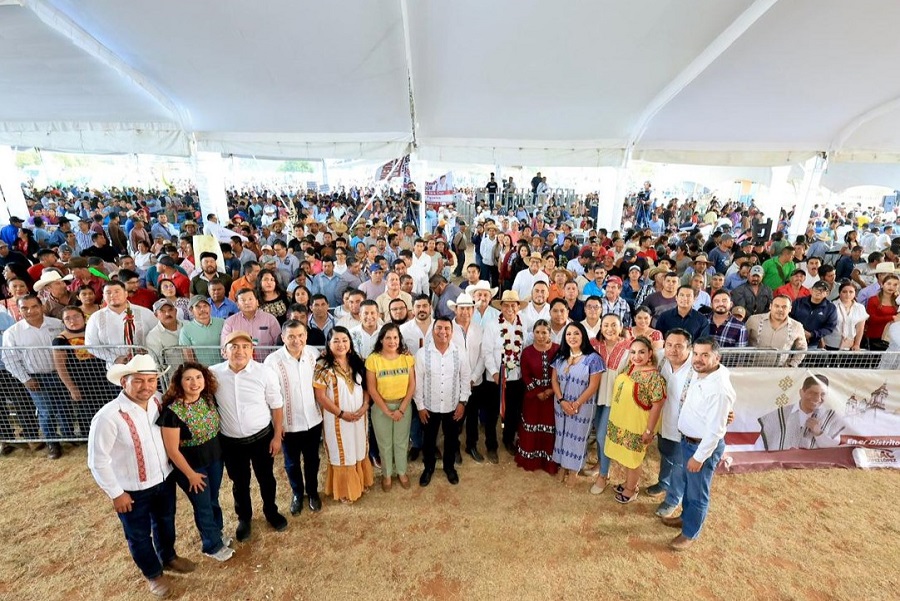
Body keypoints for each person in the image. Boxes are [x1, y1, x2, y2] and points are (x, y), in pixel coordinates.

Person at [87, 355, 196, 598]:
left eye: (151, 380)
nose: (146, 386)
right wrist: (116, 493)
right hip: (132, 490)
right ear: (123, 382)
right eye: (138, 380)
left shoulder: (157, 401)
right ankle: (153, 574)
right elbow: (97, 461)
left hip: (164, 479)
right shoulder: (108, 417)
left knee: (166, 522)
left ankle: (168, 557)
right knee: (138, 535)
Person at [210, 331, 287, 542]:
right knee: (239, 482)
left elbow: (276, 405)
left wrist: (277, 436)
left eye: (245, 346)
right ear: (224, 351)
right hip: (230, 442)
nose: (240, 351)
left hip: (262, 438)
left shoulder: (265, 373)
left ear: (252, 350)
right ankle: (244, 518)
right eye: (234, 346)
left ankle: (271, 511)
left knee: (266, 478)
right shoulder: (213, 374)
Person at [664, 337, 735, 551]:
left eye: (705, 355)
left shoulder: (719, 388)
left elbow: (715, 431)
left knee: (697, 493)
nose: (698, 359)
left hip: (702, 447)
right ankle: (686, 518)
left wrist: (699, 457)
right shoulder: (704, 373)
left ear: (717, 358)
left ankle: (690, 533)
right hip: (689, 442)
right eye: (696, 354)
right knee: (689, 486)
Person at [158, 362, 233, 562]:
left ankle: (216, 533)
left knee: (213, 499)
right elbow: (172, 450)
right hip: (192, 466)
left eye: (198, 377)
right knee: (203, 505)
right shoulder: (172, 412)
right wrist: (190, 474)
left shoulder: (207, 399)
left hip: (214, 459)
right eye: (188, 379)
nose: (194, 383)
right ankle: (212, 545)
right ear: (179, 382)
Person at [264, 320, 324, 515]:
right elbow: (272, 396)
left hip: (313, 420)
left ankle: (313, 492)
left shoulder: (313, 354)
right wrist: (278, 425)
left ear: (306, 336)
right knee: (291, 463)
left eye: (300, 335)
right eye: (291, 336)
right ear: (283, 338)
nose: (296, 340)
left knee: (312, 460)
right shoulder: (272, 361)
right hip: (288, 424)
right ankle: (297, 493)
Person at [1, 295, 72, 458]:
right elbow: (10, 359)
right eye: (24, 308)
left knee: (64, 407)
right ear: (19, 311)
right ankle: (52, 443)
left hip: (61, 374)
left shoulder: (57, 324)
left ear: (41, 307)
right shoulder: (12, 333)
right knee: (46, 411)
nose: (30, 311)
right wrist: (25, 379)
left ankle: (69, 435)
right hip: (36, 378)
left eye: (34, 306)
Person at [313, 326, 374, 503]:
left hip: (359, 416)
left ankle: (360, 481)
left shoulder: (357, 361)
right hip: (336, 419)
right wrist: (341, 414)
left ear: (350, 343)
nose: (341, 344)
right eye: (336, 341)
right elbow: (321, 396)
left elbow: (366, 387)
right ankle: (345, 490)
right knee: (342, 451)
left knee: (359, 446)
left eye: (345, 340)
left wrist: (365, 406)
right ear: (328, 343)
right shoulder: (322, 366)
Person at [604, 336, 667, 504]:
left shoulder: (655, 378)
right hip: (622, 421)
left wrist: (649, 431)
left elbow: (657, 406)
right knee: (626, 457)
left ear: (650, 353)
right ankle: (629, 483)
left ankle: (631, 490)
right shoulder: (630, 367)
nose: (636, 356)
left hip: (637, 425)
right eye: (633, 352)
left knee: (633, 459)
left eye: (641, 352)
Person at [415, 317, 470, 486]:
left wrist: (462, 402)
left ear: (452, 332)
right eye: (439, 328)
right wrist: (420, 406)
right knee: (429, 440)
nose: (443, 332)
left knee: (451, 439)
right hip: (429, 407)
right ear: (433, 331)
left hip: (452, 406)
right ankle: (428, 468)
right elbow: (418, 382)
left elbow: (465, 378)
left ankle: (449, 467)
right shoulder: (422, 353)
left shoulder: (460, 352)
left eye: (447, 328)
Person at [549, 322, 603, 482]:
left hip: (583, 406)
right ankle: (562, 466)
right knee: (562, 433)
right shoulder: (560, 356)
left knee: (578, 436)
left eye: (576, 333)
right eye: (568, 334)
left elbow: (593, 386)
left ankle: (574, 469)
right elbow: (554, 380)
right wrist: (562, 401)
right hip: (561, 404)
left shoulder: (593, 359)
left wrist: (576, 404)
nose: (572, 337)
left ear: (583, 336)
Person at [52, 305, 118, 437]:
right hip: (81, 383)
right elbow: (60, 366)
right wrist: (71, 388)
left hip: (104, 379)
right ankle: (91, 438)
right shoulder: (60, 340)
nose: (72, 321)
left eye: (76, 316)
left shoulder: (95, 332)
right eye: (67, 318)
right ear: (63, 322)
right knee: (87, 413)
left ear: (83, 317)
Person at [365, 324, 416, 491]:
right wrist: (386, 410)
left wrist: (401, 409)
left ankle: (402, 472)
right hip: (381, 407)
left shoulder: (407, 358)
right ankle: (386, 475)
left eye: (395, 337)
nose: (392, 341)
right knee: (384, 443)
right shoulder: (373, 359)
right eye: (388, 337)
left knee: (401, 441)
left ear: (399, 339)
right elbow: (371, 388)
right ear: (381, 339)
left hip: (403, 405)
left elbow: (412, 385)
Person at [649, 329, 693, 519]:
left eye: (679, 346)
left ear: (689, 348)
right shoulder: (661, 358)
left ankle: (673, 499)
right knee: (666, 454)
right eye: (669, 345)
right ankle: (663, 483)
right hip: (663, 420)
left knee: (679, 464)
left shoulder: (697, 366)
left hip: (686, 426)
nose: (673, 350)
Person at [482, 290, 528, 461]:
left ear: (518, 307)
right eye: (506, 305)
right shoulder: (492, 325)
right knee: (492, 414)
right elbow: (486, 352)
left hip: (516, 377)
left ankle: (508, 440)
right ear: (500, 307)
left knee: (513, 413)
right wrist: (494, 373)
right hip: (495, 378)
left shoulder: (523, 324)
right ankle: (491, 446)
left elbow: (525, 349)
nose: (510, 309)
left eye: (513, 305)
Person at [515, 320, 560, 474]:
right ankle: (530, 458)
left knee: (549, 426)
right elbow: (525, 374)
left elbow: (561, 372)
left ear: (549, 333)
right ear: (533, 333)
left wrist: (551, 390)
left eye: (544, 332)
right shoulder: (527, 352)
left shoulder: (558, 350)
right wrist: (537, 392)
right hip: (532, 397)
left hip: (552, 395)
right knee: (531, 424)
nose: (540, 336)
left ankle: (548, 461)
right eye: (537, 332)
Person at [756, 374, 845, 450]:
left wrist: (819, 433)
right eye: (813, 393)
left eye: (822, 394)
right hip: (782, 463)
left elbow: (834, 447)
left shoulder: (831, 418)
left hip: (814, 464)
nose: (818, 399)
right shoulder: (779, 415)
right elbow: (760, 445)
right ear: (801, 392)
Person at [86, 281, 159, 368]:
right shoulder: (96, 317)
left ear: (126, 294)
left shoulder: (145, 312)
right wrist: (114, 358)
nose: (113, 295)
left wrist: (147, 351)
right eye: (108, 293)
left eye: (117, 291)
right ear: (103, 296)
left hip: (145, 366)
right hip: (114, 368)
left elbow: (158, 335)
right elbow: (91, 344)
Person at [745, 295, 808, 367]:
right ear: (770, 306)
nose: (780, 309)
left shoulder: (797, 326)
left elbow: (802, 348)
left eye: (784, 307)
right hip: (751, 368)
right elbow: (741, 342)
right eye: (776, 306)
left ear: (790, 309)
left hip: (780, 370)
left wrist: (792, 365)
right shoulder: (753, 320)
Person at [823, 281, 868, 351]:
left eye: (851, 292)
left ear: (855, 293)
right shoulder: (831, 306)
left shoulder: (860, 307)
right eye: (844, 292)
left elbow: (860, 328)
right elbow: (822, 324)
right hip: (831, 343)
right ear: (839, 293)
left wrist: (857, 344)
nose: (848, 294)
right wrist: (822, 341)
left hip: (850, 344)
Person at [864, 273, 899, 351]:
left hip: (893, 337)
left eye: (895, 285)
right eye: (889, 284)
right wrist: (892, 317)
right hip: (876, 337)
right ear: (882, 285)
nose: (891, 287)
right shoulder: (873, 300)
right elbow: (871, 319)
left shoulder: (898, 301)